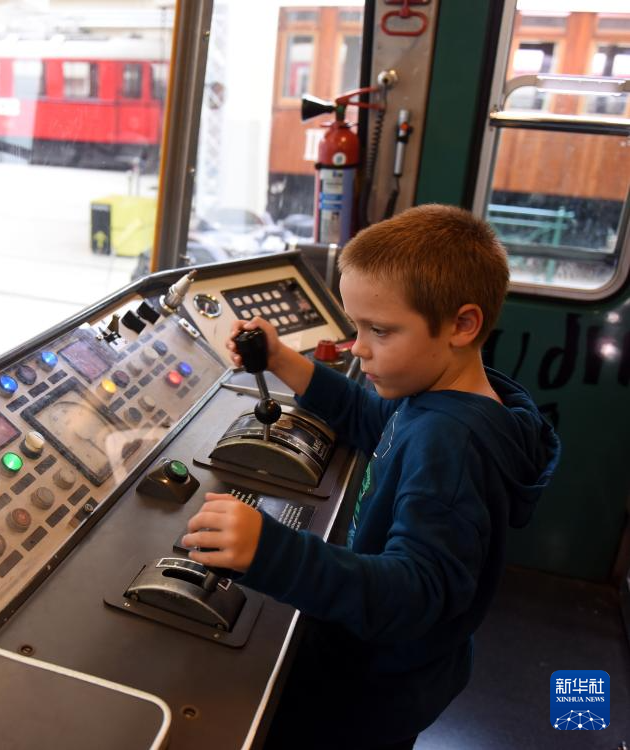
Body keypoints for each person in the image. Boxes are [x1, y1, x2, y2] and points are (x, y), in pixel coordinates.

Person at [182, 204, 560, 750]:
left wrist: (272, 553)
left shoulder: (450, 443)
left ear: (462, 325)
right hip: (394, 662)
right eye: (357, 326)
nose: (359, 348)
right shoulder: (444, 397)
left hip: (372, 686)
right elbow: (371, 418)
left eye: (379, 330)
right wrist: (282, 358)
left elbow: (417, 593)